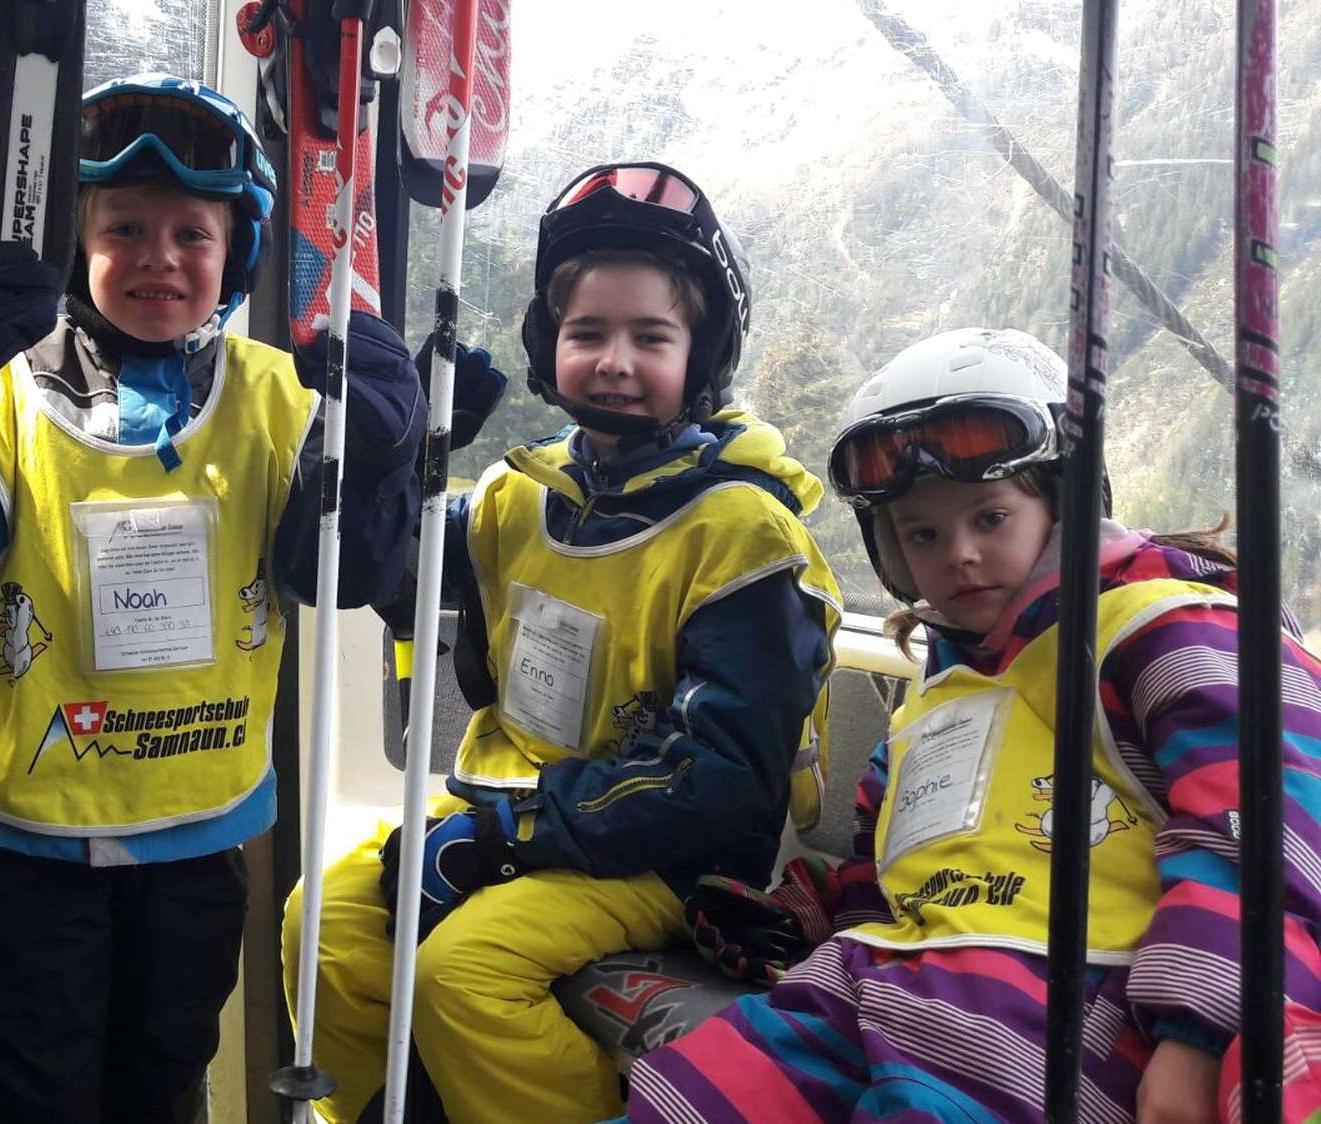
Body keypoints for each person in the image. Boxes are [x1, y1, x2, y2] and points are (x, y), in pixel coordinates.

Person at [0, 73, 426, 1123]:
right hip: (33, 830)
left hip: (194, 827)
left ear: (234, 253)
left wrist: (382, 449)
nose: (159, 256)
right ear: (76, 246)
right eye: (123, 228)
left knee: (163, 1078)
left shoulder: (278, 394)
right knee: (27, 1087)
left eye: (190, 233)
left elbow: (330, 575)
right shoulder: (7, 384)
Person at [622, 327, 1321, 1123]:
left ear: (1061, 503)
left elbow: (1275, 826)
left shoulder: (1170, 632)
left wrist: (1201, 1030)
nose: (958, 554)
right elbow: (889, 875)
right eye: (922, 533)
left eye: (990, 517)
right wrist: (809, 914)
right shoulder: (929, 707)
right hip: (870, 990)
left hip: (1059, 1014)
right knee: (678, 1101)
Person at [282, 160, 842, 1124]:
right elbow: (385, 580)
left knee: (462, 974)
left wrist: (507, 839)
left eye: (650, 337)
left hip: (671, 858)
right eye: (587, 333)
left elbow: (724, 775)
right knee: (317, 924)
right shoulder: (521, 495)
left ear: (702, 354)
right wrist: (401, 460)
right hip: (519, 814)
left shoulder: (743, 532)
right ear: (550, 346)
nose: (615, 360)